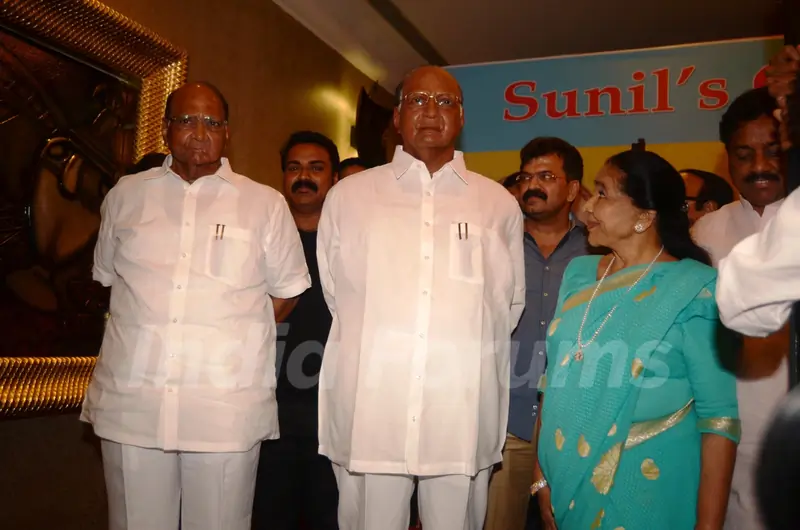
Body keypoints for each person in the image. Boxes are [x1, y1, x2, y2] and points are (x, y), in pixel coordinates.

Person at [81, 82, 311, 530]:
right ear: (166, 130)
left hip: (224, 407)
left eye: (211, 122)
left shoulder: (263, 204)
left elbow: (288, 288)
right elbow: (108, 277)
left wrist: (237, 339)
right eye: (186, 120)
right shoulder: (126, 196)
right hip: (134, 403)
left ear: (227, 134)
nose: (199, 132)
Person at [316, 66, 525, 530]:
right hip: (372, 408)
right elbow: (339, 297)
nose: (431, 111)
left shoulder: (497, 204)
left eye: (445, 101)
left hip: (459, 411)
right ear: (396, 116)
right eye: (418, 100)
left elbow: (507, 306)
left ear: (462, 116)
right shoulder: (349, 197)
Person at [532, 149, 739, 530]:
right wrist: (541, 477)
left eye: (603, 193)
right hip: (565, 481)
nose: (589, 206)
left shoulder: (694, 288)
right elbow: (553, 382)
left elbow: (719, 419)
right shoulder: (578, 274)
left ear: (645, 216)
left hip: (648, 486)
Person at [690, 87, 788, 530]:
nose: (760, 167)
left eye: (772, 151)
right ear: (727, 157)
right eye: (744, 154)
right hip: (728, 428)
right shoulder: (707, 231)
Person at [485, 137, 588, 530]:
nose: (532, 185)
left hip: (573, 422)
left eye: (546, 176)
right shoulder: (495, 245)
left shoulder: (598, 249)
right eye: (526, 176)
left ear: (574, 189)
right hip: (504, 422)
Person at [252, 131, 340, 530]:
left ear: (334, 178)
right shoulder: (261, 240)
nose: (303, 177)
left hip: (333, 410)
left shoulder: (352, 244)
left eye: (316, 168)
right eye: (294, 168)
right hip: (268, 408)